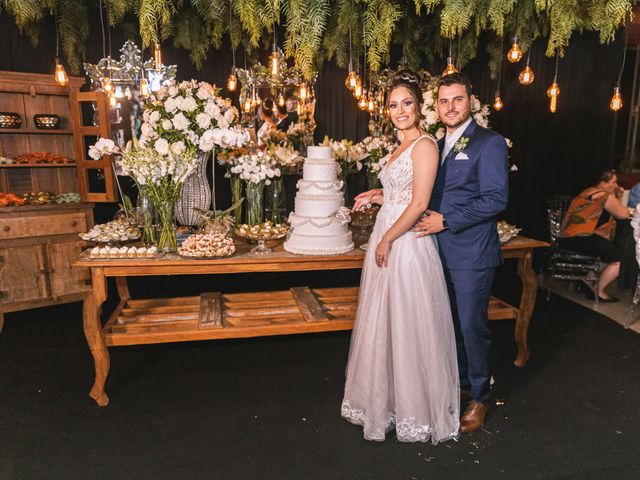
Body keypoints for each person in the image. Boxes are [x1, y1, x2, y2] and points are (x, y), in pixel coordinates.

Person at [341, 70, 460, 443]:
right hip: (389, 232)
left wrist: (388, 238)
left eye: (406, 103)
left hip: (407, 243)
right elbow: (398, 193)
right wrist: (378, 196)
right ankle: (384, 403)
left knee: (409, 320)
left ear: (420, 106)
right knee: (384, 320)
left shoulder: (425, 144)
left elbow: (421, 202)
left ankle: (416, 409)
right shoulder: (398, 147)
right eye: (393, 105)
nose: (399, 110)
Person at [414, 72, 509, 433]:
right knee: (447, 323)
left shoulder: (489, 142)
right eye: (443, 101)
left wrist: (447, 221)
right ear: (436, 106)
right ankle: (460, 384)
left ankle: (481, 397)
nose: (450, 106)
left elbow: (497, 199)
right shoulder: (435, 144)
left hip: (471, 252)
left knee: (472, 326)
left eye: (457, 99)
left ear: (471, 101)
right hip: (435, 251)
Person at [559, 170, 630, 302]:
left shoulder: (589, 191)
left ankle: (588, 281)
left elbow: (614, 210)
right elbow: (623, 214)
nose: (616, 185)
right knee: (620, 259)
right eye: (613, 182)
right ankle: (598, 291)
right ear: (603, 183)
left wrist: (617, 196)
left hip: (566, 237)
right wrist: (618, 197)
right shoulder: (604, 194)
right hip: (581, 237)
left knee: (607, 248)